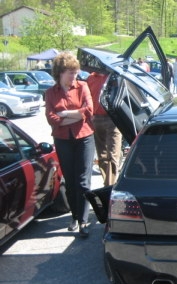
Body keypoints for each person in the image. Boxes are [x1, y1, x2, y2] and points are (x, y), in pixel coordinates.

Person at [45, 52, 94, 237]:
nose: (74, 76)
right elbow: (52, 119)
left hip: (84, 137)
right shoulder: (50, 93)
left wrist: (64, 115)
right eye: (70, 72)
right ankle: (74, 215)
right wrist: (74, 115)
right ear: (59, 73)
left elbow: (88, 111)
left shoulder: (83, 86)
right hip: (63, 140)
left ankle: (83, 220)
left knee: (83, 181)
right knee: (71, 181)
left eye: (75, 72)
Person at [86, 71, 122, 187]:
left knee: (112, 155)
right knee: (102, 156)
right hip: (96, 119)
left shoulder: (114, 77)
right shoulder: (91, 78)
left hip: (113, 119)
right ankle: (108, 184)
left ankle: (109, 186)